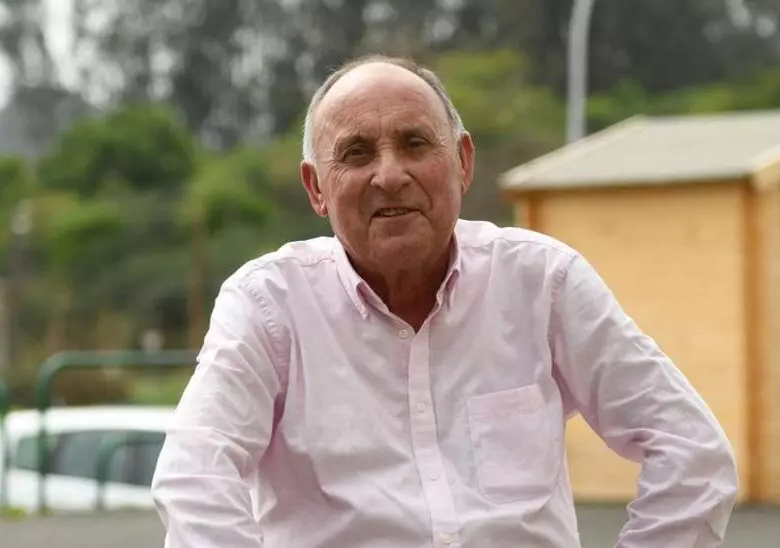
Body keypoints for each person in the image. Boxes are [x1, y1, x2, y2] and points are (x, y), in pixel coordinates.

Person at [151, 54, 739, 547]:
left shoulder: (542, 282)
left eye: (415, 144)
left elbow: (693, 453)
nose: (390, 174)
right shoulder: (268, 305)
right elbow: (195, 477)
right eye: (357, 153)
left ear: (462, 161)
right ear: (316, 188)